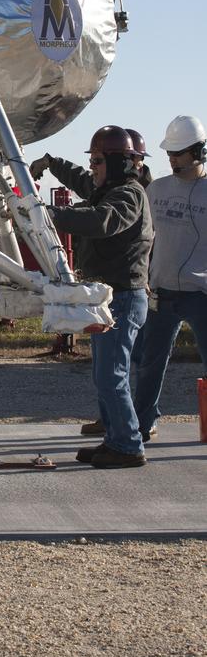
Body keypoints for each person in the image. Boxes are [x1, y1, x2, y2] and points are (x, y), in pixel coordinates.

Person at [30, 126, 153, 437]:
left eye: (97, 161)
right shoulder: (109, 188)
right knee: (106, 376)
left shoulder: (128, 194)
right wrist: (51, 162)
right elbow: (83, 182)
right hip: (108, 298)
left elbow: (101, 221)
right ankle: (115, 435)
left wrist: (47, 214)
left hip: (122, 298)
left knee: (112, 375)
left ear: (115, 163)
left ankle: (126, 443)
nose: (91, 167)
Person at [132, 115, 207, 436]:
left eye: (179, 152)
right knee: (150, 363)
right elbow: (144, 238)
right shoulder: (157, 190)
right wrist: (143, 276)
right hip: (160, 291)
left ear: (199, 152)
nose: (173, 158)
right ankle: (144, 422)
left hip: (201, 294)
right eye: (170, 153)